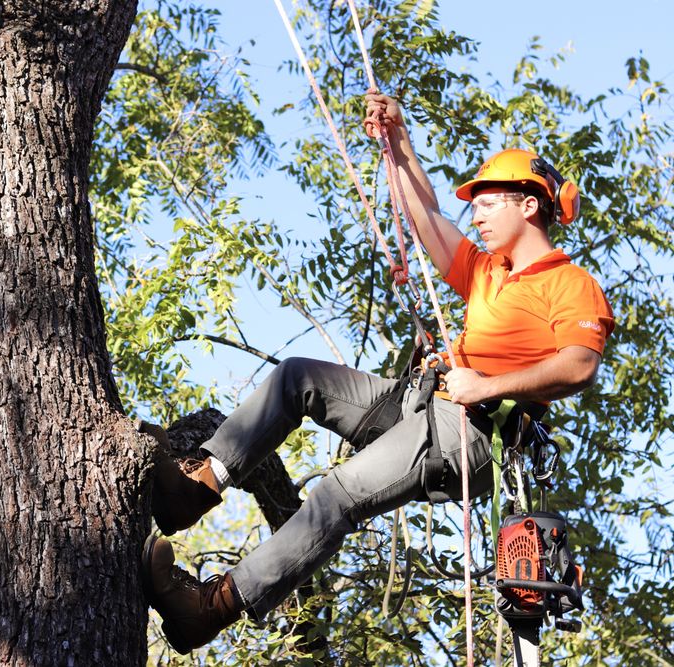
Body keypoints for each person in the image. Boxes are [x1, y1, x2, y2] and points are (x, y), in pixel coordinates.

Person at [140, 91, 615, 655]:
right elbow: (426, 217)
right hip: (421, 401)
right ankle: (195, 489)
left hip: (472, 431)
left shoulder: (571, 285)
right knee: (298, 379)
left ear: (527, 206)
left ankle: (210, 609)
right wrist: (399, 140)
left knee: (336, 494)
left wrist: (486, 386)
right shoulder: (487, 271)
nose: (477, 216)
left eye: (487, 205)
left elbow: (579, 365)